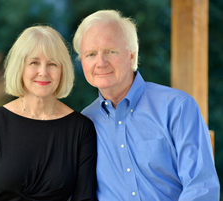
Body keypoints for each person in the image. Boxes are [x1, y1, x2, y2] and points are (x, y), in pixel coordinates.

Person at [73, 10, 220, 201]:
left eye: (111, 51)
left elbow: (201, 188)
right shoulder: (84, 123)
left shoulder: (177, 107)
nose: (101, 62)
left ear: (132, 56)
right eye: (91, 54)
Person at [0, 25, 97, 201]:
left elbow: (84, 198)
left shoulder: (81, 128)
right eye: (34, 63)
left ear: (62, 70)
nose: (43, 72)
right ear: (20, 68)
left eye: (52, 64)